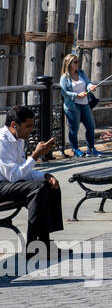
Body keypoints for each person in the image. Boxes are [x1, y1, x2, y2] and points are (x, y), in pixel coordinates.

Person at [0, 105, 63, 259]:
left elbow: (24, 171)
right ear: (14, 125)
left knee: (49, 184)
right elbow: (14, 176)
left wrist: (45, 176)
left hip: (9, 183)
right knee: (38, 189)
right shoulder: (2, 142)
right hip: (2, 186)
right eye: (28, 126)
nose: (31, 130)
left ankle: (45, 243)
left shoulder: (18, 139)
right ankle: (33, 245)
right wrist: (35, 155)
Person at [59, 53, 101, 157]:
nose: (78, 64)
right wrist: (77, 95)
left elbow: (88, 83)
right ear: (68, 64)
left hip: (85, 104)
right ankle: (75, 149)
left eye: (78, 61)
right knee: (74, 129)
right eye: (75, 62)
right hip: (73, 107)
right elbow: (64, 93)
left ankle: (91, 148)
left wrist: (91, 87)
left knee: (91, 126)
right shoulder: (64, 78)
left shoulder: (81, 73)